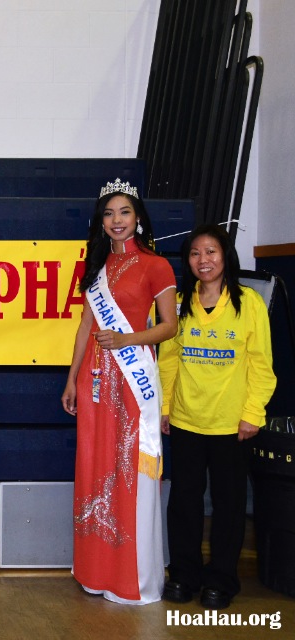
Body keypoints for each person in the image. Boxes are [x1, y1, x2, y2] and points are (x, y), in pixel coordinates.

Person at [60, 179, 178, 604]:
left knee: (130, 470)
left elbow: (170, 326)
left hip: (132, 381)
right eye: (109, 213)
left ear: (139, 218)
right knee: (95, 466)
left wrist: (128, 341)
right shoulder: (96, 267)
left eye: (124, 212)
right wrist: (72, 378)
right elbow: (86, 327)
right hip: (95, 380)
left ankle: (135, 580)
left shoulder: (156, 265)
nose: (116, 221)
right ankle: (97, 572)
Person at [158, 224, 276, 610]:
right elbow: (168, 361)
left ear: (225, 256)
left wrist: (251, 414)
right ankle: (184, 575)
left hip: (232, 426)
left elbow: (261, 365)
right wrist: (165, 409)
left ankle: (222, 580)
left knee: (228, 505)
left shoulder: (249, 304)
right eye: (195, 253)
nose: (203, 260)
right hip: (187, 420)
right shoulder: (178, 303)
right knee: (184, 504)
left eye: (210, 252)